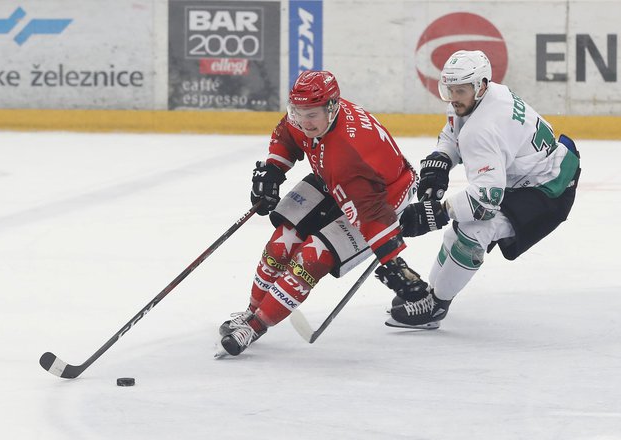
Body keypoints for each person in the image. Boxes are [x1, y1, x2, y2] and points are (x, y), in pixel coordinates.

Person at [217, 70, 427, 356]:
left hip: (380, 196)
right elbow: (286, 134)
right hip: (333, 177)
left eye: (311, 114)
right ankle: (251, 311)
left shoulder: (351, 153)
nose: (304, 121)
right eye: (298, 111)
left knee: (314, 255)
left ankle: (254, 326)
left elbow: (371, 214)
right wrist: (274, 169)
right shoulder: (309, 118)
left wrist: (392, 261)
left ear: (332, 107)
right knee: (283, 242)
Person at [377, 50, 581, 329]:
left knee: (476, 230)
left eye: (459, 90)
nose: (453, 98)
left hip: (549, 188)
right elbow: (453, 132)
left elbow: (486, 199)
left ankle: (435, 307)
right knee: (462, 226)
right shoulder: (481, 96)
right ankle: (430, 295)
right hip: (532, 176)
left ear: (480, 85)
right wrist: (442, 160)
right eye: (449, 90)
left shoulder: (483, 128)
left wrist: (436, 211)